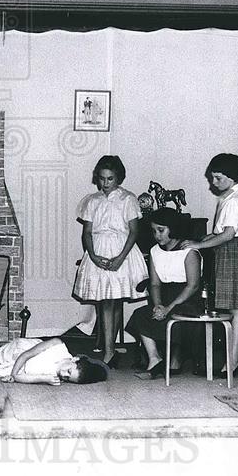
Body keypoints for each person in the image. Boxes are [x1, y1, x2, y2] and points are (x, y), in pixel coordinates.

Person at [180, 153, 238, 375]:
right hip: (237, 250)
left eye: (217, 178)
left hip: (233, 252)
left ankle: (232, 360)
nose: (213, 183)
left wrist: (199, 245)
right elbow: (222, 232)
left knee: (236, 308)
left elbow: (227, 235)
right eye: (212, 178)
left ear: (231, 177)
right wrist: (204, 239)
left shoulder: (235, 201)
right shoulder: (233, 194)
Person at [73, 155, 149, 368]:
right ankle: (109, 350)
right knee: (106, 301)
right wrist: (94, 257)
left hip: (121, 253)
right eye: (102, 178)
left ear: (119, 179)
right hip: (98, 253)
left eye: (110, 179)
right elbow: (87, 233)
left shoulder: (128, 199)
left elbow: (134, 232)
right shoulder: (92, 200)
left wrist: (120, 258)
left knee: (114, 302)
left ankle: (109, 351)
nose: (105, 183)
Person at [125, 208, 203, 379]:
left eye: (161, 230)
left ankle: (177, 356)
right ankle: (155, 359)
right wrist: (158, 304)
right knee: (141, 314)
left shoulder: (188, 251)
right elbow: (154, 283)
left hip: (186, 299)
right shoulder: (154, 251)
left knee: (175, 316)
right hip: (163, 297)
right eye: (154, 231)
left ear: (173, 228)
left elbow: (193, 286)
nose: (157, 235)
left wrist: (168, 308)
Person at [0, 337, 108, 385]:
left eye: (67, 378)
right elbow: (26, 355)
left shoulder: (54, 378)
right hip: (21, 351)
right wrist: (13, 374)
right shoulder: (58, 345)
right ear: (74, 359)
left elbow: (19, 377)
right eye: (69, 370)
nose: (64, 375)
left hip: (18, 369)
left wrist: (43, 379)